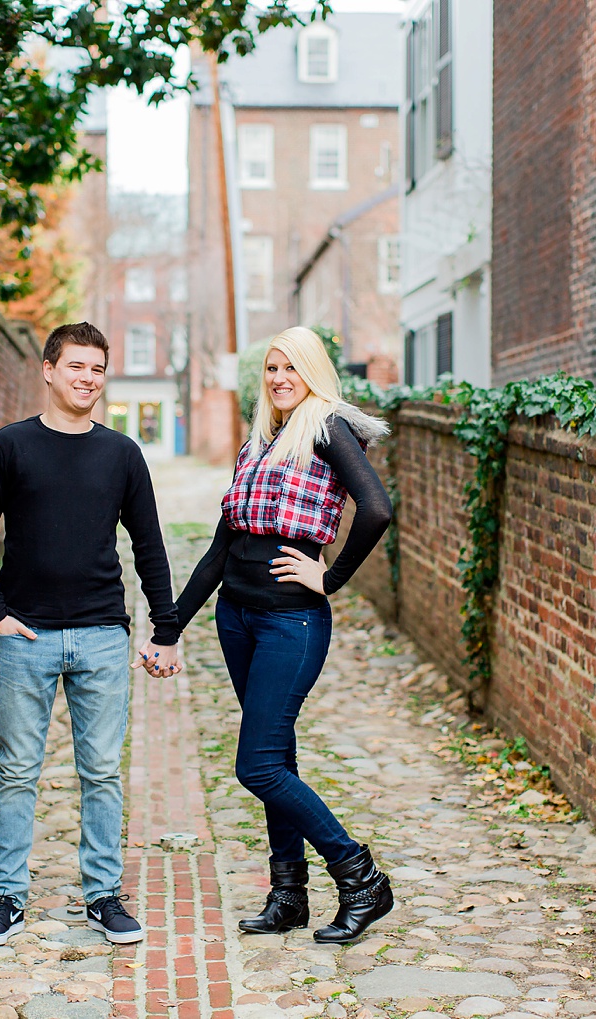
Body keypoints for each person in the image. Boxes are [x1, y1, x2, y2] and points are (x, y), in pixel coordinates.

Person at [0, 322, 183, 947]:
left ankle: (103, 896)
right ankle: (5, 899)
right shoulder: (9, 446)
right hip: (25, 637)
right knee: (17, 773)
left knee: (103, 773)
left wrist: (164, 629)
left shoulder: (121, 455)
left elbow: (149, 546)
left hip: (102, 638)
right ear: (49, 370)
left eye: (97, 368)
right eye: (76, 366)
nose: (88, 378)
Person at [173, 326, 395, 943]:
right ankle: (288, 893)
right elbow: (222, 548)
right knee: (279, 754)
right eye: (271, 368)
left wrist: (331, 578)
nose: (278, 379)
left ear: (313, 373)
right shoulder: (260, 442)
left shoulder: (326, 427)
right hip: (237, 618)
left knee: (259, 765)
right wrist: (170, 626)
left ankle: (360, 875)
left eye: (290, 368)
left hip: (290, 622)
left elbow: (376, 508)